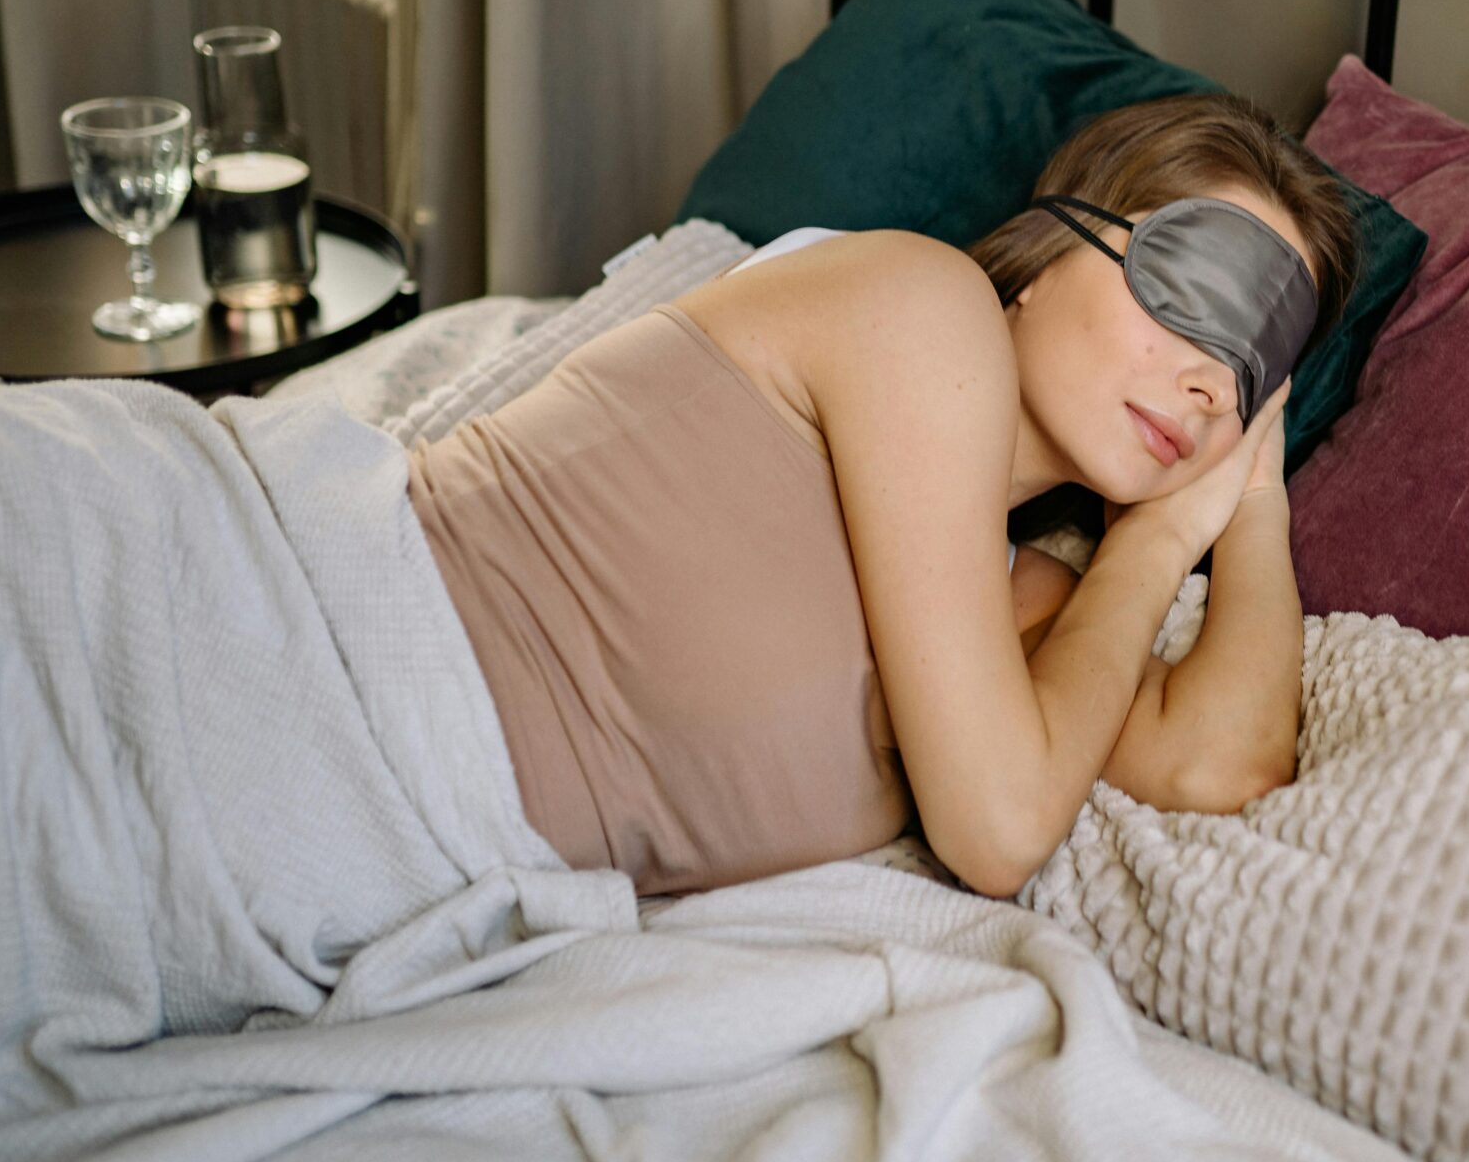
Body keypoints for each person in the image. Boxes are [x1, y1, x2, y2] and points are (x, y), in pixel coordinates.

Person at [405, 93, 1361, 903]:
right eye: (1194, 291)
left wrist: (1244, 499)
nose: (1210, 384)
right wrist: (1155, 547)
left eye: (1253, 371)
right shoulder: (920, 305)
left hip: (414, 849)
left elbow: (1219, 762)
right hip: (337, 649)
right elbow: (1001, 826)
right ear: (1051, 248)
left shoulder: (1018, 607)